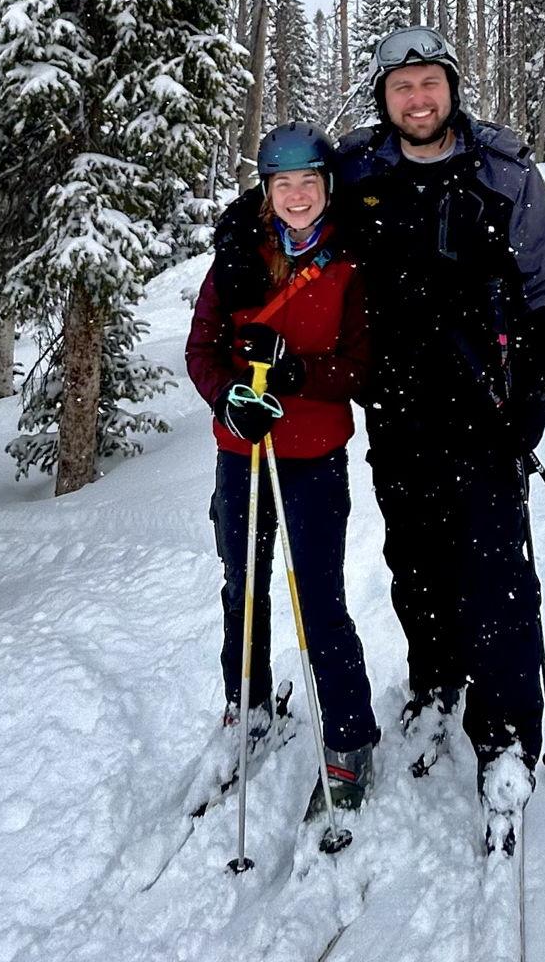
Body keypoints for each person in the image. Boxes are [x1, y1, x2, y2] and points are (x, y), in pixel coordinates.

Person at [334, 24, 545, 848]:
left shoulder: (504, 173)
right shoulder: (355, 175)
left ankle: (505, 733)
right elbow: (285, 224)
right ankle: (436, 678)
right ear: (383, 99)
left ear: (451, 88)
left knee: (497, 572)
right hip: (397, 411)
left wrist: (534, 398)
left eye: (429, 82)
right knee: (415, 560)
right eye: (402, 88)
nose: (418, 98)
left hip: (486, 413)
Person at [185, 121, 379, 814]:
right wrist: (227, 401)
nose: (297, 196)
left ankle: (350, 736)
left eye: (308, 182)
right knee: (242, 586)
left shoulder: (353, 260)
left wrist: (300, 369)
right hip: (240, 453)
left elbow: (362, 365)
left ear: (327, 186)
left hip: (314, 456)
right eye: (282, 184)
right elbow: (202, 349)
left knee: (317, 599)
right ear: (266, 191)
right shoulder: (239, 253)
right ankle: (249, 706)